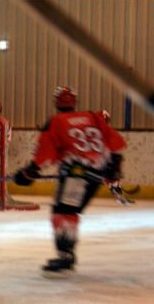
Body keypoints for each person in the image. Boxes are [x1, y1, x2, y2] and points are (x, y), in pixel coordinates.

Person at [13, 86, 126, 278]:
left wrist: (29, 172)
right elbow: (116, 143)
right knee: (71, 213)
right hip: (97, 175)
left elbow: (44, 153)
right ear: (74, 102)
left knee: (61, 213)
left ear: (56, 103)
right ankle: (68, 254)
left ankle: (65, 256)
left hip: (76, 174)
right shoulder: (93, 116)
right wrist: (114, 169)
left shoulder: (56, 121)